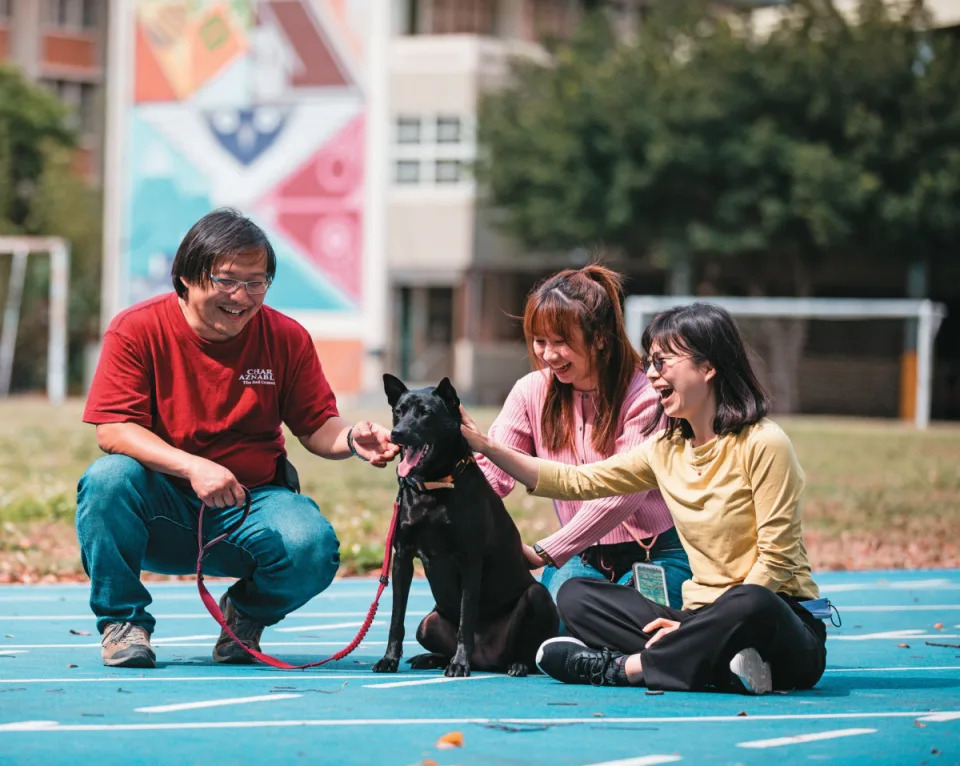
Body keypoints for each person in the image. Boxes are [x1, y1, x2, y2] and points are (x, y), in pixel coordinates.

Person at [76, 208, 398, 669]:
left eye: (256, 282)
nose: (242, 296)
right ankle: (123, 622)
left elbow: (316, 425)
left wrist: (351, 438)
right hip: (160, 510)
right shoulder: (136, 329)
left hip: (247, 507)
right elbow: (113, 429)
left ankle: (244, 616)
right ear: (186, 276)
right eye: (227, 281)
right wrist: (191, 466)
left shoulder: (286, 337)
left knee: (311, 545)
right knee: (107, 480)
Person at [462, 302, 827, 695]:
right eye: (650, 362)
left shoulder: (764, 443)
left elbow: (774, 561)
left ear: (708, 367)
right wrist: (484, 445)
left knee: (751, 601)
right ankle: (721, 667)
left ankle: (627, 668)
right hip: (692, 619)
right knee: (575, 596)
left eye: (664, 362)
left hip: (777, 624)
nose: (651, 375)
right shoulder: (665, 448)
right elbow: (576, 481)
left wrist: (692, 626)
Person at [477, 265, 691, 610]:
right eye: (539, 341)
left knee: (639, 621)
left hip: (658, 553)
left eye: (560, 342)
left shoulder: (647, 395)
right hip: (581, 558)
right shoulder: (530, 391)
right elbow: (492, 476)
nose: (547, 354)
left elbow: (622, 494)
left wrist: (546, 551)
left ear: (601, 337)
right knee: (554, 624)